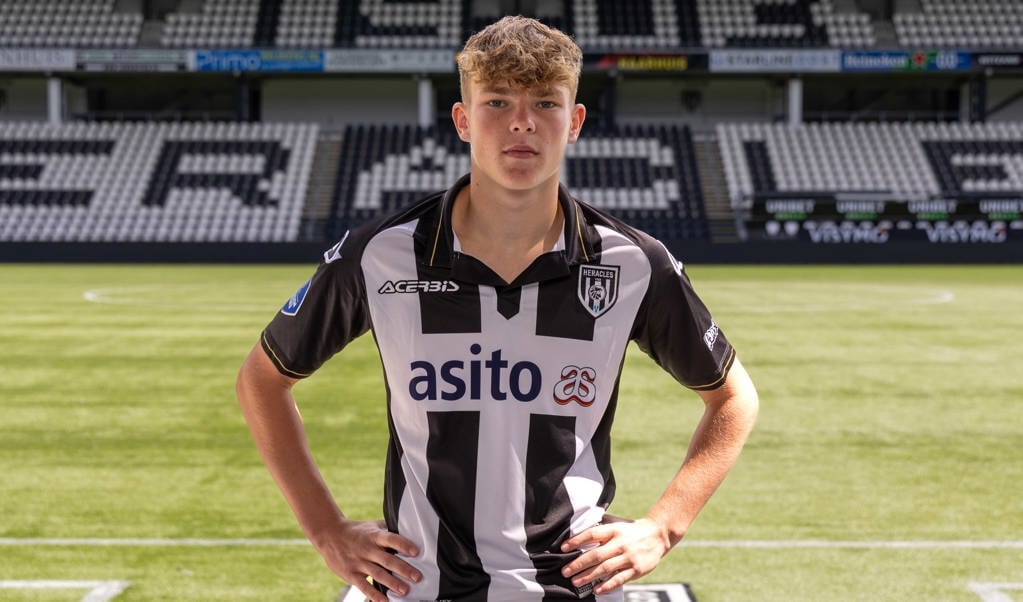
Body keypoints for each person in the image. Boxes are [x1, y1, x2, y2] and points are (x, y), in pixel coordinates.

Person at [236, 15, 758, 602]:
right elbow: (262, 379)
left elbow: (733, 397)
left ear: (575, 122)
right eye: (497, 101)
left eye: (545, 102)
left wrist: (663, 526)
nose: (521, 122)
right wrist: (326, 530)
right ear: (462, 120)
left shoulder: (632, 263)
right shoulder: (381, 255)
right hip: (417, 584)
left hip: (574, 585)